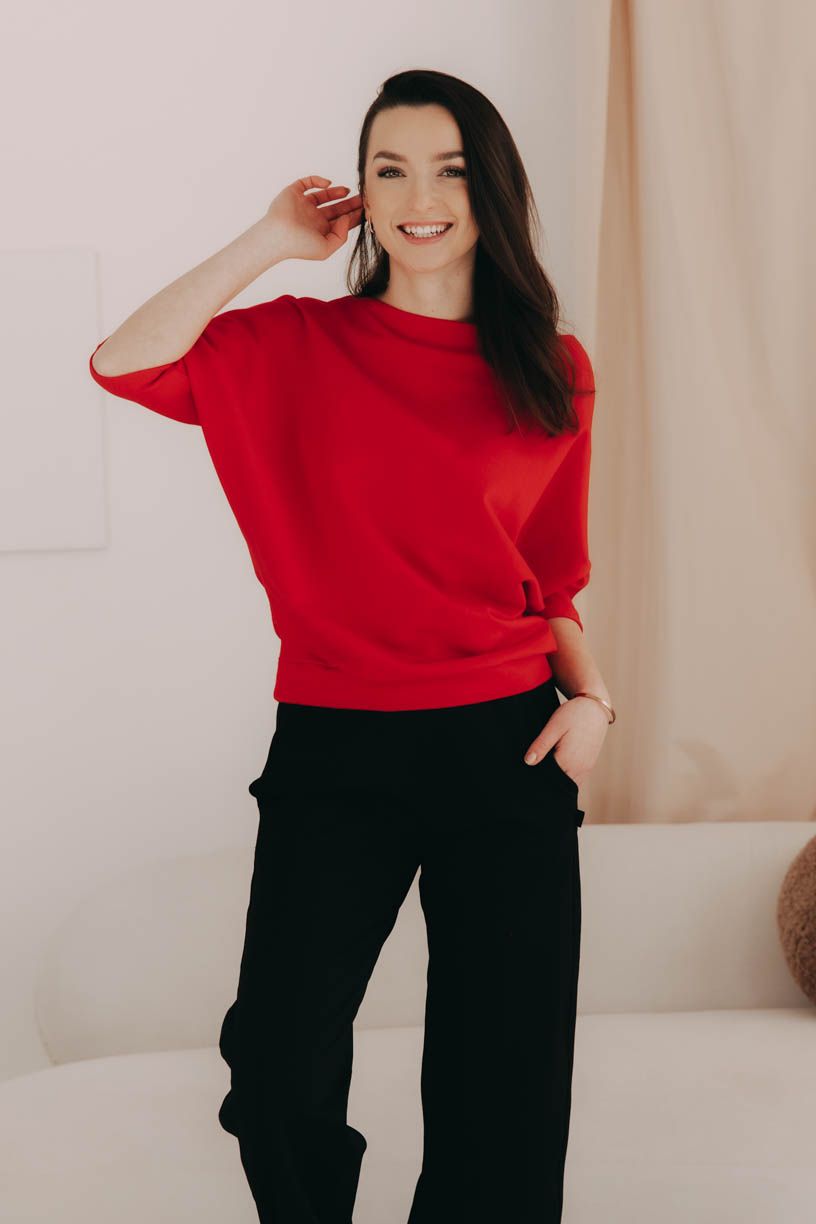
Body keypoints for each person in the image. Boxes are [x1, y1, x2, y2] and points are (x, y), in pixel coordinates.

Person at [89, 67, 615, 1224]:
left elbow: (551, 574)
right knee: (277, 1060)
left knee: (504, 1089)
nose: (421, 197)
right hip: (337, 746)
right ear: (361, 195)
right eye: (391, 170)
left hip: (507, 744)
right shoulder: (294, 343)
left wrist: (595, 705)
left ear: (491, 191)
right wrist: (271, 241)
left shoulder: (554, 368)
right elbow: (123, 362)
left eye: (451, 170)